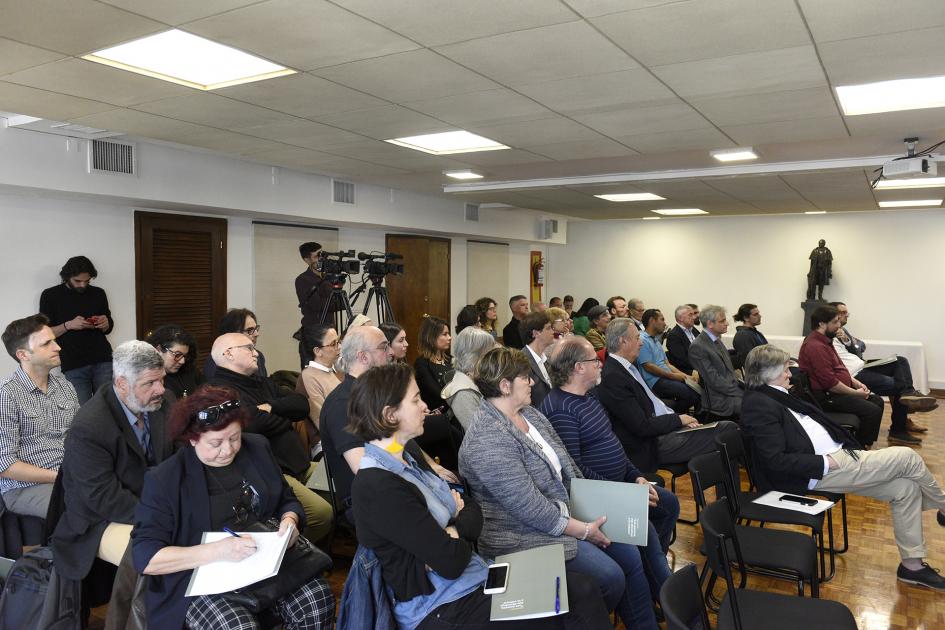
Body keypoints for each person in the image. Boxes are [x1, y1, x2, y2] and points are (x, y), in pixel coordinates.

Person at [349, 363, 611, 630]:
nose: (425, 406)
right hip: (442, 604)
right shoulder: (377, 485)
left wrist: (454, 528)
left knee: (583, 589)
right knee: (561, 608)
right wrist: (457, 523)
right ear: (390, 415)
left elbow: (473, 512)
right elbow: (450, 560)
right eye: (415, 400)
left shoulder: (406, 457)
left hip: (473, 576)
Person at [459, 347, 661, 630]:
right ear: (505, 386)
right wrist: (583, 529)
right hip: (523, 534)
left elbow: (568, 467)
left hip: (566, 511)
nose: (532, 382)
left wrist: (596, 501)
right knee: (610, 576)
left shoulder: (530, 414)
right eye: (525, 378)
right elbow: (530, 509)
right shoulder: (487, 439)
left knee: (630, 549)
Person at [741, 344, 945, 592]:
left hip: (838, 457)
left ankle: (912, 567)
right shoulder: (758, 404)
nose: (790, 374)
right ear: (768, 372)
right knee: (908, 458)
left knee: (906, 488)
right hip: (818, 470)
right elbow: (775, 460)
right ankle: (943, 506)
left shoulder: (776, 394)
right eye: (785, 370)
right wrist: (827, 462)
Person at [132, 385, 334, 629]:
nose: (227, 450)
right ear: (193, 438)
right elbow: (146, 557)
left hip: (262, 564)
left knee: (317, 599)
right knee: (238, 626)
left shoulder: (257, 448)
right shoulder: (166, 480)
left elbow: (286, 500)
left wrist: (290, 521)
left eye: (234, 438)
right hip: (200, 576)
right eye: (215, 443)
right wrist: (217, 551)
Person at [541, 336, 680, 558]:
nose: (600, 364)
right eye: (595, 360)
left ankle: (652, 565)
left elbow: (611, 442)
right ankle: (653, 574)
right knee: (650, 531)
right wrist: (626, 495)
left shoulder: (588, 397)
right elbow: (575, 471)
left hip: (618, 483)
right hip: (598, 496)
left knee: (668, 504)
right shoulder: (561, 409)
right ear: (579, 367)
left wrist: (636, 476)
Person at [52, 341, 175, 581]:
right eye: (150, 383)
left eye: (162, 380)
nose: (160, 389)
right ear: (121, 384)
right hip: (100, 519)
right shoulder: (89, 427)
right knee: (164, 556)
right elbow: (102, 496)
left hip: (153, 505)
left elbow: (179, 457)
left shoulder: (164, 402)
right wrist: (160, 515)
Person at [208, 332, 332, 543]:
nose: (256, 353)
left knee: (348, 485)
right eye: (248, 348)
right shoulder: (219, 391)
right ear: (228, 353)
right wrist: (285, 417)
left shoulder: (260, 382)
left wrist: (271, 407)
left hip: (300, 463)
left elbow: (302, 405)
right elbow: (253, 425)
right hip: (273, 471)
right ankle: (288, 557)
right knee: (322, 513)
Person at [319, 326, 457, 514]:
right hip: (372, 501)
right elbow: (365, 469)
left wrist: (430, 466)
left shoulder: (375, 394)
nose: (391, 352)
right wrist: (423, 485)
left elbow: (399, 442)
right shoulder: (342, 404)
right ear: (363, 357)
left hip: (398, 482)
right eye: (384, 347)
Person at [597, 319, 739, 473]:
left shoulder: (625, 368)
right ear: (622, 341)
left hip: (662, 432)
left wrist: (678, 419)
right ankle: (734, 493)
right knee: (727, 431)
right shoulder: (614, 377)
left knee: (725, 432)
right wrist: (677, 420)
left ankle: (729, 492)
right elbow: (641, 426)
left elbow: (653, 407)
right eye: (637, 338)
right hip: (651, 445)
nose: (641, 343)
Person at [0, 314, 78, 518]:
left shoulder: (65, 386)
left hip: (70, 475)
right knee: (83, 508)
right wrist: (62, 477)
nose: (58, 347)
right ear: (23, 355)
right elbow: (5, 464)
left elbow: (81, 436)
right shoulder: (6, 394)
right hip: (25, 487)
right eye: (47, 343)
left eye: (55, 340)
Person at [831, 301, 935, 421]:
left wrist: (848, 340)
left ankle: (909, 394)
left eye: (847, 312)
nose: (847, 315)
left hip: (863, 364)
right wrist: (852, 343)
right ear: (834, 314)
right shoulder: (830, 333)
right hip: (855, 372)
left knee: (900, 361)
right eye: (843, 312)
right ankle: (901, 424)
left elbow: (862, 346)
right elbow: (856, 350)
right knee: (900, 384)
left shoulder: (843, 331)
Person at [798, 305, 884, 448]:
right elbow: (829, 383)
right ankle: (858, 449)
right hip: (826, 397)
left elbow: (839, 367)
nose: (839, 326)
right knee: (872, 411)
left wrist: (855, 383)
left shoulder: (824, 340)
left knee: (877, 401)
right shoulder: (815, 346)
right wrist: (856, 393)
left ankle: (862, 443)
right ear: (821, 324)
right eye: (835, 322)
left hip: (834, 392)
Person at [39, 255, 114, 404]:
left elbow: (109, 327)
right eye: (77, 281)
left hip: (103, 359)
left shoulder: (99, 293)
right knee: (82, 412)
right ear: (66, 277)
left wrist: (106, 323)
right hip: (73, 363)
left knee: (108, 408)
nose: (83, 285)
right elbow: (44, 334)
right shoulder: (50, 295)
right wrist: (68, 325)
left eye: (87, 281)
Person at [636, 309, 700, 414]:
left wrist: (685, 376)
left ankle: (680, 416)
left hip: (665, 377)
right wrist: (673, 376)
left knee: (696, 389)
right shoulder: (642, 339)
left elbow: (667, 364)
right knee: (691, 394)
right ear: (652, 321)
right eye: (662, 319)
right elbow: (648, 366)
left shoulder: (655, 340)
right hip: (656, 381)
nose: (665, 323)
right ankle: (671, 414)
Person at [688, 305, 743, 419]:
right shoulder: (698, 346)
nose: (727, 323)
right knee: (759, 407)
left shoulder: (716, 340)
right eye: (722, 321)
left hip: (730, 392)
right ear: (710, 324)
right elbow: (714, 381)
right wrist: (741, 393)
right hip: (720, 399)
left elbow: (729, 373)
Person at [441, 326, 494, 431]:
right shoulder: (463, 393)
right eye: (489, 354)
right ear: (474, 356)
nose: (493, 359)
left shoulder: (477, 379)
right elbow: (481, 435)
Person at [295, 324, 342, 429]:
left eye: (338, 341)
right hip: (329, 440)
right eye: (333, 343)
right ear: (317, 351)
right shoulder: (308, 376)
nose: (339, 347)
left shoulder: (337, 370)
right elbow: (323, 422)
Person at [296, 241, 334, 368]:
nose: (321, 259)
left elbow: (340, 304)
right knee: (312, 372)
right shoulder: (303, 280)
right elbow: (317, 305)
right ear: (306, 260)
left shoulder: (329, 278)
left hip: (330, 332)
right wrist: (329, 300)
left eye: (322, 255)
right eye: (317, 256)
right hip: (313, 335)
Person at [204, 308, 268, 380]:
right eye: (249, 330)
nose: (257, 334)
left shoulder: (259, 356)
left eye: (256, 329)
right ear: (232, 333)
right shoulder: (217, 360)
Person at [147, 324, 203, 399]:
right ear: (159, 350)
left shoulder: (190, 370)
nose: (182, 361)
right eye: (177, 355)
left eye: (185, 356)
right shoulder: (149, 378)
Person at [413, 316, 453, 412]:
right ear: (431, 337)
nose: (450, 337)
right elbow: (438, 394)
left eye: (449, 334)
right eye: (445, 334)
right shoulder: (422, 364)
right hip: (435, 415)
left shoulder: (451, 359)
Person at [521, 311, 555, 407]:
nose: (553, 332)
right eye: (548, 328)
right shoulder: (522, 362)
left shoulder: (546, 359)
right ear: (536, 333)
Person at [665, 304, 699, 376]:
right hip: (689, 371)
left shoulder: (694, 330)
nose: (694, 317)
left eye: (694, 314)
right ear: (681, 318)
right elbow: (682, 360)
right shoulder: (673, 335)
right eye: (690, 315)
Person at [732, 303, 768, 370]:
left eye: (758, 313)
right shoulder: (742, 336)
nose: (760, 316)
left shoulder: (756, 333)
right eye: (755, 314)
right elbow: (750, 361)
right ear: (746, 318)